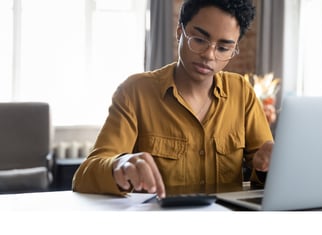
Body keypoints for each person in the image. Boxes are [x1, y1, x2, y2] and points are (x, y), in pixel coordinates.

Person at [72, 0, 274, 198]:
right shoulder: (135, 92)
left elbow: (267, 175)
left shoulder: (242, 93)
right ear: (180, 32)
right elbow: (84, 176)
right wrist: (119, 165)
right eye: (199, 39)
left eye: (223, 48)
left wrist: (268, 167)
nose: (209, 55)